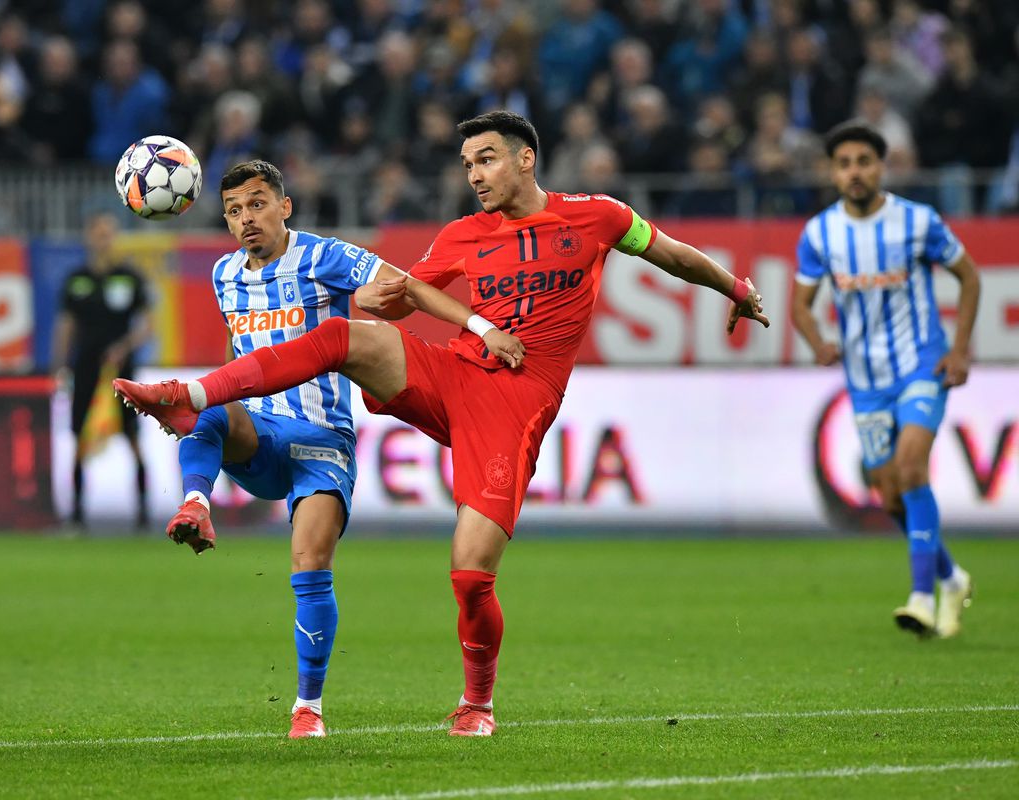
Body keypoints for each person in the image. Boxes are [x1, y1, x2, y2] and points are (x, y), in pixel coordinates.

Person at [115, 111, 767, 736]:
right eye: (467, 164)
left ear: (526, 159)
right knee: (346, 335)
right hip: (453, 374)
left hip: (514, 404)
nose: (474, 174)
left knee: (471, 574)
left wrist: (735, 289)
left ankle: (476, 703)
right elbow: (402, 295)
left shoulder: (599, 217)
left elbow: (673, 255)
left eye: (486, 159)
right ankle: (189, 394)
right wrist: (378, 300)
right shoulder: (462, 234)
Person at [161, 159, 525, 739]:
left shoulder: (324, 256)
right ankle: (196, 504)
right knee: (206, 405)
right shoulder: (223, 274)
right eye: (233, 211)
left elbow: (408, 286)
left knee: (310, 564)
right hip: (262, 435)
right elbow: (238, 353)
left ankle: (307, 708)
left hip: (322, 439)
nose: (246, 218)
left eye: (257, 204)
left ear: (285, 206)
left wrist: (480, 329)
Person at [791, 121, 979, 639]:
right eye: (844, 164)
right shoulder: (820, 233)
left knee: (912, 465)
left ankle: (921, 597)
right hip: (865, 379)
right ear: (832, 173)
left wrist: (959, 349)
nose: (854, 172)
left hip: (922, 364)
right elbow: (801, 306)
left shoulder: (918, 221)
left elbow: (968, 276)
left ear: (881, 167)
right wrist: (818, 342)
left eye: (864, 162)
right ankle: (951, 578)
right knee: (892, 496)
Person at [51, 212, 152, 526]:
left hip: (122, 371)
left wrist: (124, 347)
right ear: (89, 237)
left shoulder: (130, 278)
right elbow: (66, 325)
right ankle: (76, 514)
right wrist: (60, 366)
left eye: (108, 233)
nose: (103, 239)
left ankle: (143, 513)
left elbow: (148, 326)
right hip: (85, 369)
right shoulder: (76, 280)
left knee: (132, 437)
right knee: (80, 438)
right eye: (98, 233)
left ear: (115, 238)